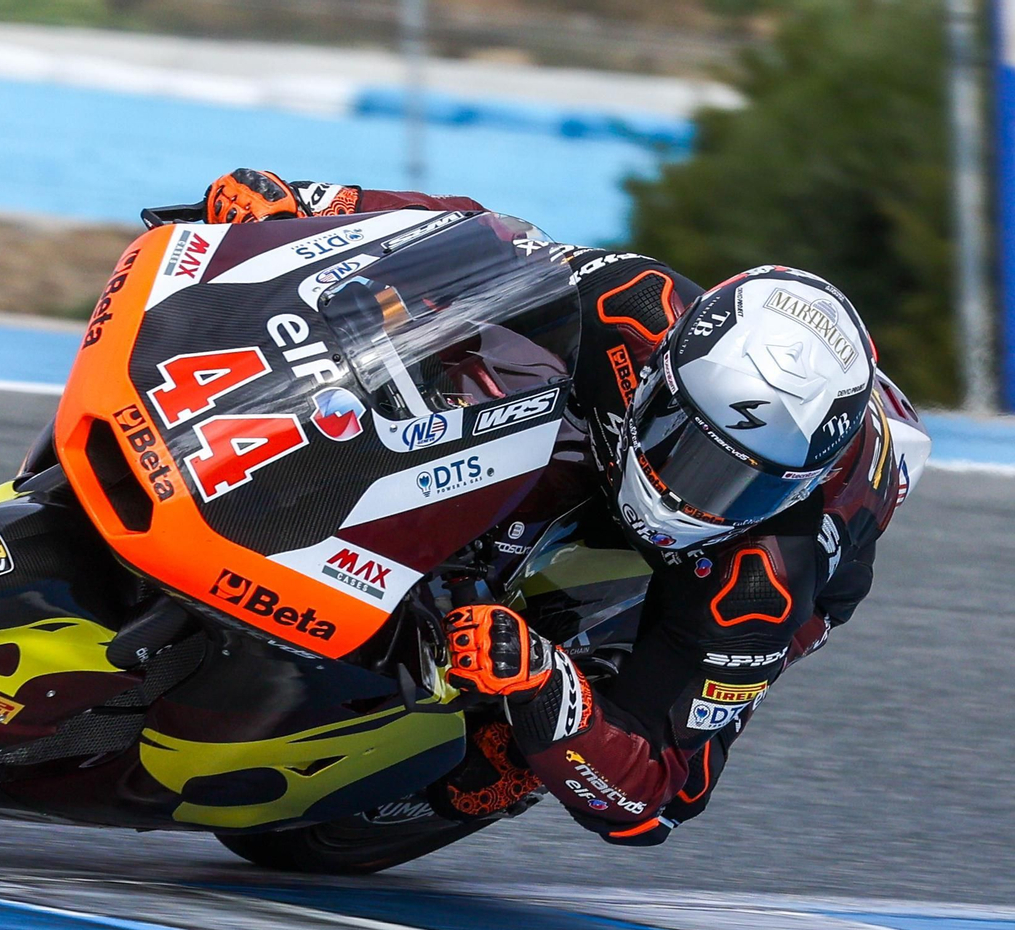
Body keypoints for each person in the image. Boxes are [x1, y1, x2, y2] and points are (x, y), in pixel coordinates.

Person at [194, 169, 929, 846]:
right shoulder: (633, 308)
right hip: (608, 435)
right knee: (471, 359)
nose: (687, 493)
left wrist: (546, 683)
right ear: (664, 378)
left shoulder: (767, 576)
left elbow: (648, 791)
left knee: (637, 782)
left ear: (794, 489)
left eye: (745, 484)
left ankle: (466, 779)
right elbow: (483, 243)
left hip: (758, 578)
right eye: (686, 446)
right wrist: (312, 205)